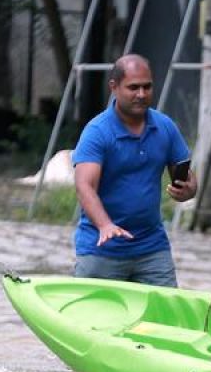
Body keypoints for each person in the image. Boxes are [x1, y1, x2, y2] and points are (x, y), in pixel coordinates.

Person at [72, 54, 198, 287]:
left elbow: (186, 175)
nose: (141, 94)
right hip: (102, 249)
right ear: (114, 87)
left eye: (147, 87)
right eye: (133, 88)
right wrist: (105, 225)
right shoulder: (97, 131)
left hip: (152, 248)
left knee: (167, 315)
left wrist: (190, 189)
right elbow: (84, 186)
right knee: (94, 320)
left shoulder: (165, 127)